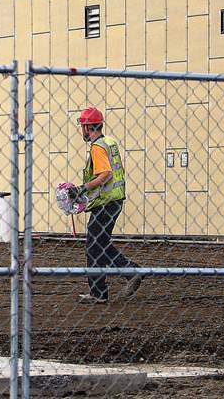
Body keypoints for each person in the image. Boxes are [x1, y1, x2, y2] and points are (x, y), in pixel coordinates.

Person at [70, 107, 142, 304]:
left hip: (106, 203)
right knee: (99, 244)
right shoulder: (109, 142)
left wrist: (82, 189)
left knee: (94, 246)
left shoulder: (97, 147)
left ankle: (103, 290)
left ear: (87, 127)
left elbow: (106, 174)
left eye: (83, 126)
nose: (82, 130)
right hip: (113, 200)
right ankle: (127, 274)